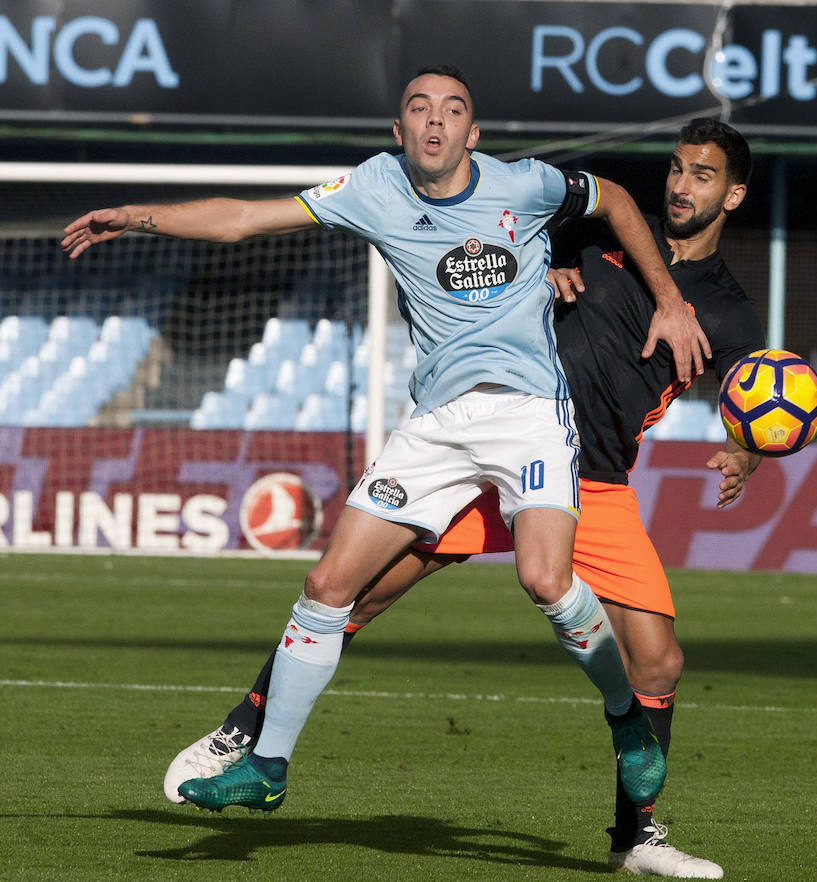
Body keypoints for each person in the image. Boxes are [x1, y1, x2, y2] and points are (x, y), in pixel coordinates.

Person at [63, 66, 710, 819]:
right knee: (327, 589)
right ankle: (267, 765)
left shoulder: (526, 184)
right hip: (434, 427)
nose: (436, 121)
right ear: (398, 132)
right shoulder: (374, 188)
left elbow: (618, 199)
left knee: (544, 579)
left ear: (474, 133)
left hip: (528, 412)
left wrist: (669, 301)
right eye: (419, 109)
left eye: (453, 110)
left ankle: (626, 720)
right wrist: (138, 216)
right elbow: (242, 218)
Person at [162, 118, 764, 878]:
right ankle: (241, 730)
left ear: (733, 194)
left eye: (702, 176)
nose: (681, 186)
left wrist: (746, 452)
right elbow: (496, 253)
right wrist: (539, 277)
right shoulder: (601, 236)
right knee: (362, 594)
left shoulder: (730, 309)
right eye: (676, 169)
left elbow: (758, 395)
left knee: (660, 664)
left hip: (595, 482)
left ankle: (635, 840)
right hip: (492, 456)